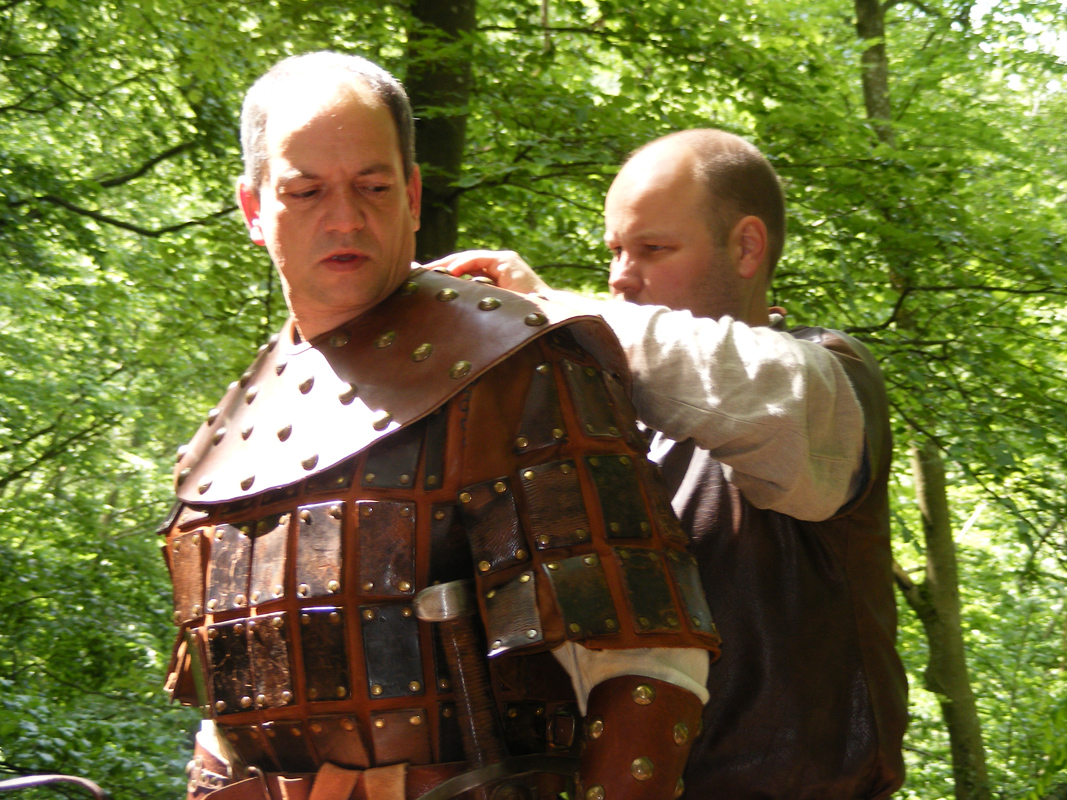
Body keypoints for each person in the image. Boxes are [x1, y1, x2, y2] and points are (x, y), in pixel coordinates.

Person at [160, 53, 722, 800]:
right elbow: (228, 721)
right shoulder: (234, 432)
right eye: (306, 191)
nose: (345, 217)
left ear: (414, 195)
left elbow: (650, 670)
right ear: (254, 209)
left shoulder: (514, 367)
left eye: (373, 186)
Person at [435, 129, 909, 799]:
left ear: (746, 247)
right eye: (615, 251)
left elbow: (728, 378)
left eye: (653, 249)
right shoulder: (619, 424)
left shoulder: (830, 384)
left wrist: (546, 313)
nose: (620, 276)